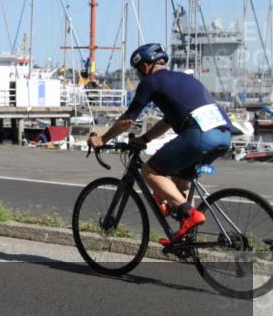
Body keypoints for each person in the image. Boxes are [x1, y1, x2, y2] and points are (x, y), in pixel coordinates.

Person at [89, 43, 232, 247]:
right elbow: (167, 121)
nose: (138, 76)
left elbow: (128, 120)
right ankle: (186, 239)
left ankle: (188, 213)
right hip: (223, 135)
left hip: (199, 135)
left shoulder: (151, 82)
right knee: (180, 179)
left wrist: (102, 139)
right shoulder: (183, 78)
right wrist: (145, 139)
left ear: (145, 66)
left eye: (137, 71)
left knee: (150, 171)